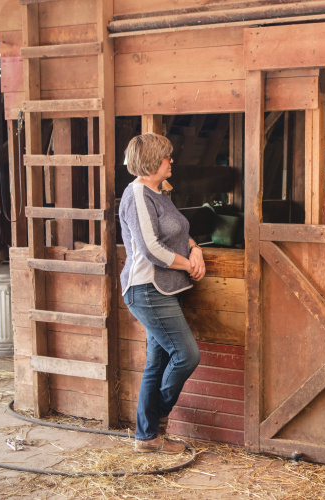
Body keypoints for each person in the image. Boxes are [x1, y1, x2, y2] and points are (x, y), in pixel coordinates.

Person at [118, 133, 206, 454]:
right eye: (167, 157)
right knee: (187, 355)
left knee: (157, 362)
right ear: (153, 161)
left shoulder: (159, 192)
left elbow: (178, 232)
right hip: (146, 288)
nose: (172, 161)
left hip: (164, 288)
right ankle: (157, 419)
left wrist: (195, 249)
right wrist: (188, 264)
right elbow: (152, 248)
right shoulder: (137, 194)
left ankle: (148, 438)